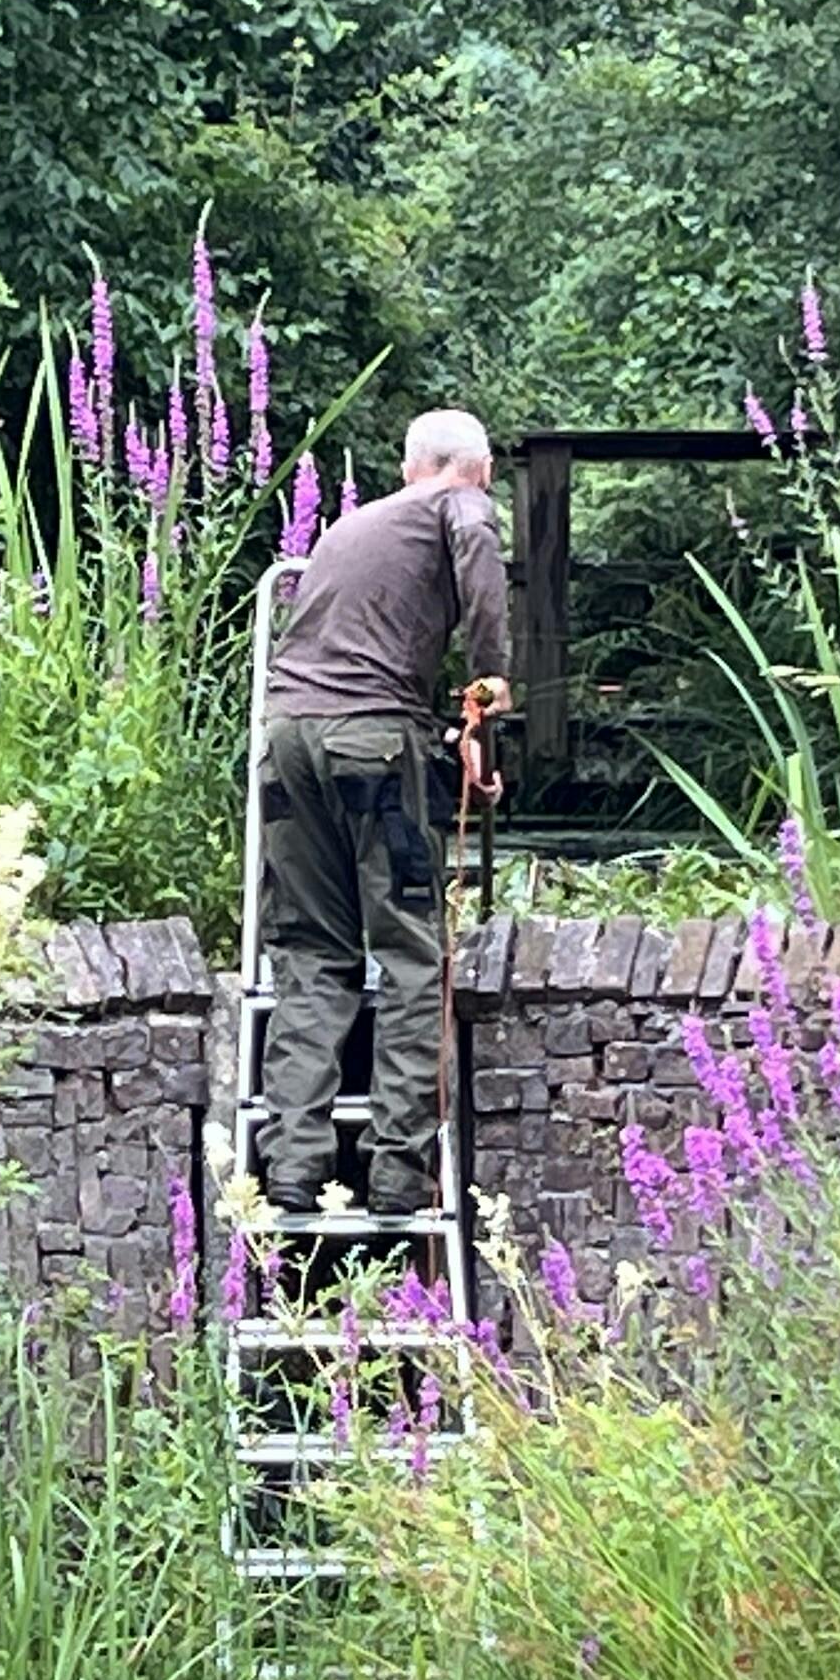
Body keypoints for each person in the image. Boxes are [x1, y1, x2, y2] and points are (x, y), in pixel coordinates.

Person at [251, 407, 511, 1219]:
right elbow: (474, 536)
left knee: (309, 952)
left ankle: (292, 1167)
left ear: (405, 467)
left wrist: (452, 730)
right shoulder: (455, 499)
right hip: (370, 748)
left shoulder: (349, 528)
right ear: (480, 468)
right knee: (407, 951)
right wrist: (491, 678)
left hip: (284, 744)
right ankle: (398, 1174)